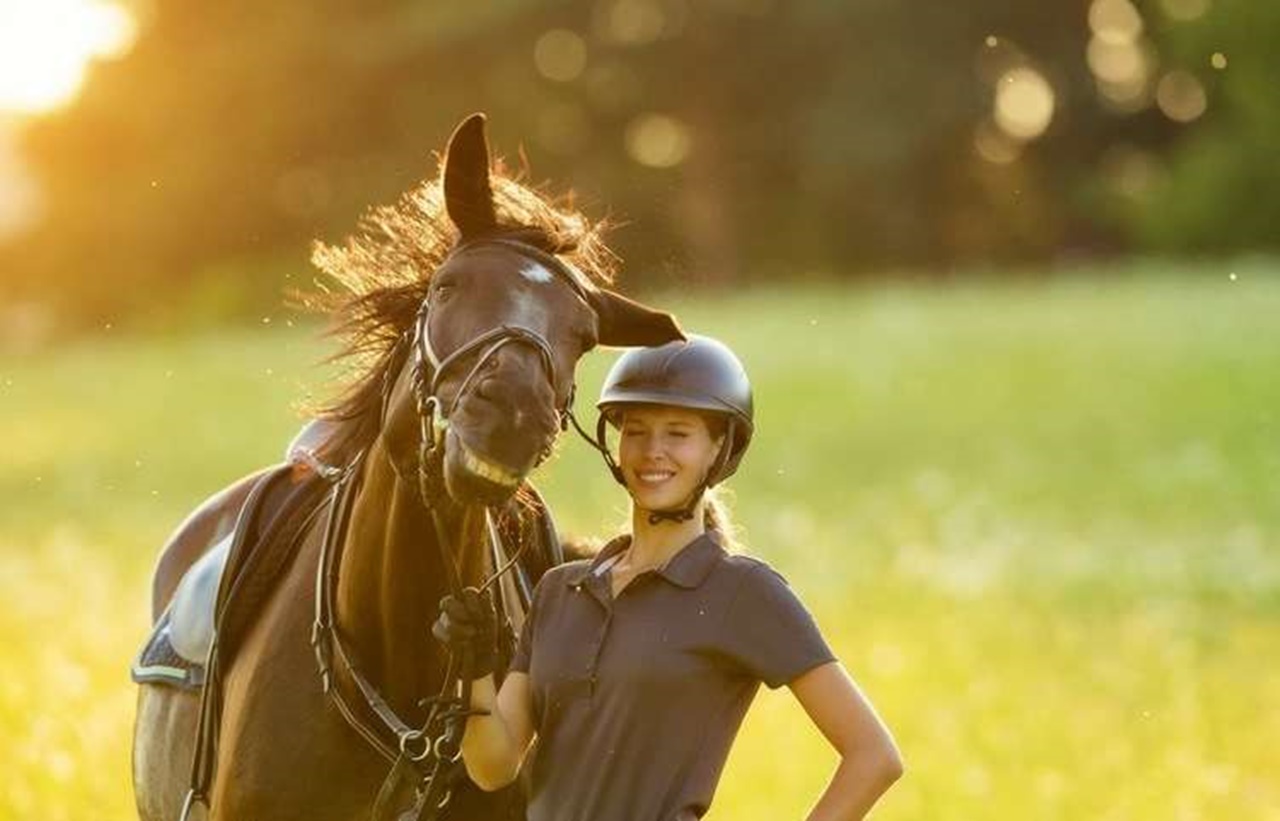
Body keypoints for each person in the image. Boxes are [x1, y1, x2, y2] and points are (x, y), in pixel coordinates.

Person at [433, 335, 903, 821]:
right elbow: (494, 768)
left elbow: (873, 757)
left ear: (718, 448)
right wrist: (475, 670)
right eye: (636, 432)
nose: (652, 451)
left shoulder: (744, 592)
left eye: (678, 434)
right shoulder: (559, 590)